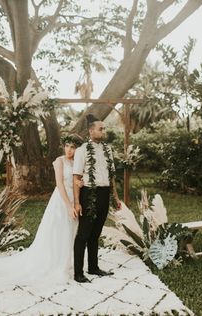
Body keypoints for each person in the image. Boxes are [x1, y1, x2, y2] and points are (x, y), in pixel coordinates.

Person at [0, 134, 84, 290]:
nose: (69, 150)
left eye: (73, 147)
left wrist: (80, 188)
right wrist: (68, 205)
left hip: (75, 199)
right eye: (67, 146)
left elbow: (78, 181)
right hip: (61, 201)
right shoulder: (59, 161)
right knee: (56, 231)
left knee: (70, 232)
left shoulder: (78, 163)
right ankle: (54, 263)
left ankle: (67, 262)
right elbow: (59, 184)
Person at [72, 114, 121, 283]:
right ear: (91, 131)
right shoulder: (82, 150)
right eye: (101, 128)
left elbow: (112, 176)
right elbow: (76, 177)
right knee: (84, 233)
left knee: (96, 233)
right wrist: (77, 202)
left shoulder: (108, 150)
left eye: (104, 128)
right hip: (88, 193)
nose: (103, 131)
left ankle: (93, 267)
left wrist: (115, 197)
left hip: (104, 193)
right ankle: (78, 273)